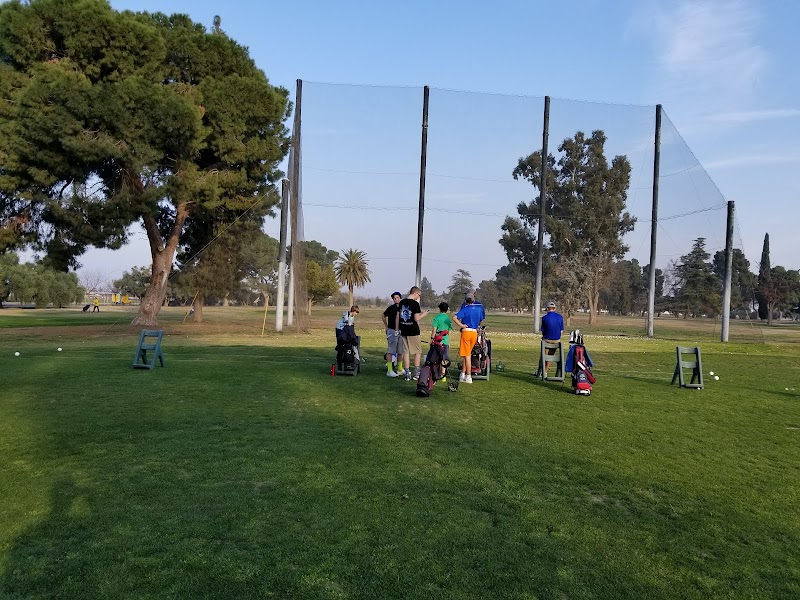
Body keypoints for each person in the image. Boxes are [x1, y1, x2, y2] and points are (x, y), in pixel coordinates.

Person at [451, 289, 485, 384]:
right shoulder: (478, 309)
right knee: (467, 354)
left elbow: (454, 318)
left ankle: (468, 376)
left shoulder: (465, 309)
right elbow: (481, 320)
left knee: (467, 356)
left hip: (466, 332)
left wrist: (461, 325)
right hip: (474, 333)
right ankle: (462, 374)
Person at [396, 286, 430, 381]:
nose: (418, 297)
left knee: (406, 352)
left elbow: (398, 317)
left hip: (404, 329)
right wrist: (424, 314)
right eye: (418, 295)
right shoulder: (415, 304)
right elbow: (416, 318)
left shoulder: (402, 302)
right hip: (413, 331)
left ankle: (407, 373)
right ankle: (416, 373)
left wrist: (397, 329)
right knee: (417, 351)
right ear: (415, 293)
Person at [537, 300, 564, 377]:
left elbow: (543, 331)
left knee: (543, 355)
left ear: (548, 309)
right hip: (557, 341)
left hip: (547, 340)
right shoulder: (560, 317)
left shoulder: (544, 318)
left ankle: (541, 371)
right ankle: (545, 371)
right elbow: (561, 331)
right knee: (550, 355)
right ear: (554, 308)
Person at [382, 292, 403, 377]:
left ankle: (399, 369)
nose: (396, 299)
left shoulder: (403, 308)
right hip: (392, 331)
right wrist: (386, 326)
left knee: (400, 351)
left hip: (401, 331)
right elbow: (383, 316)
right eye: (394, 298)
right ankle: (389, 370)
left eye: (397, 297)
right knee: (391, 350)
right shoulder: (391, 308)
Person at [430, 302, 453, 380]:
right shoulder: (448, 319)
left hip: (437, 340)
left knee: (435, 356)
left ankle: (435, 372)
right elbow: (450, 331)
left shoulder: (436, 318)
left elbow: (434, 330)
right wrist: (449, 341)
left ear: (439, 309)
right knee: (444, 356)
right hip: (445, 340)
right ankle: (443, 374)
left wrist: (431, 339)